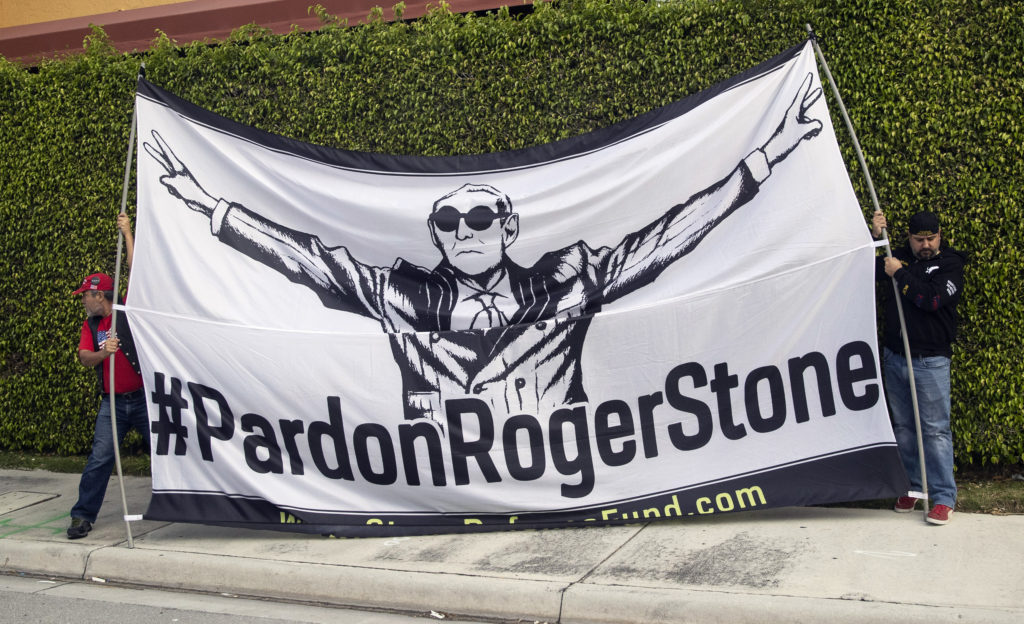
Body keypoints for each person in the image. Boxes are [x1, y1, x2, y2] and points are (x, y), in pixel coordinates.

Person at [145, 75, 824, 421]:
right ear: (435, 235)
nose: (466, 232)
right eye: (451, 222)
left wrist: (763, 158)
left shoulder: (568, 281)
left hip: (560, 469)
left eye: (481, 218)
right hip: (438, 476)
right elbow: (310, 257)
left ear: (508, 229)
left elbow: (666, 238)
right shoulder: (398, 295)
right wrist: (214, 207)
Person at [871, 209, 965, 525]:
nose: (925, 244)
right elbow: (869, 272)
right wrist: (875, 239)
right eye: (919, 239)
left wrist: (900, 274)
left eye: (931, 238)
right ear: (909, 237)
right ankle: (912, 488)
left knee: (936, 430)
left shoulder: (951, 264)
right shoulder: (896, 256)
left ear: (939, 235)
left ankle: (943, 497)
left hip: (931, 361)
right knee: (904, 429)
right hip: (896, 357)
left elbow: (931, 299)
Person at [66, 213, 150, 540]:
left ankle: (186, 504)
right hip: (112, 405)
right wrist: (105, 353)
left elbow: (136, 270)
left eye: (85, 295)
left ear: (99, 295)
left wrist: (127, 232)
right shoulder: (91, 326)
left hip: (142, 400)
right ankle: (82, 516)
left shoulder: (126, 311)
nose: (83, 300)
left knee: (164, 452)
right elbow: (85, 357)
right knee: (100, 459)